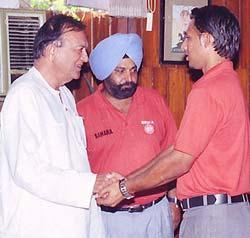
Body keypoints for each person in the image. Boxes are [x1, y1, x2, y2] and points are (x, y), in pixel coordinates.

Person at [96, 5, 250, 238]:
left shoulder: (208, 90)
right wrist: (126, 181)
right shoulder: (227, 82)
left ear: (207, 40)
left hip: (212, 219)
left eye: (188, 37)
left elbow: (179, 161)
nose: (184, 46)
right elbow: (176, 149)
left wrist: (125, 188)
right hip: (225, 214)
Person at [0, 14, 109, 238]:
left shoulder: (66, 96)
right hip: (38, 228)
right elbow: (27, 171)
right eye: (79, 49)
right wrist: (90, 184)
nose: (85, 58)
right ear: (52, 50)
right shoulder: (25, 93)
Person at [77, 33, 180, 238]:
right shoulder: (83, 112)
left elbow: (174, 156)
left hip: (156, 213)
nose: (129, 79)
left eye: (133, 70)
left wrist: (174, 202)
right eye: (120, 71)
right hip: (108, 219)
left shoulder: (154, 101)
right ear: (103, 73)